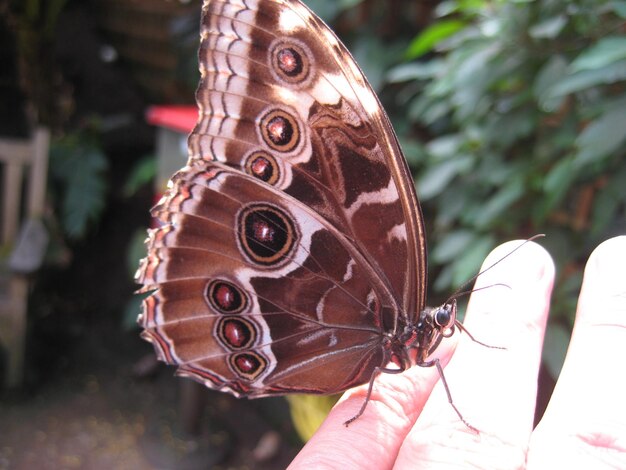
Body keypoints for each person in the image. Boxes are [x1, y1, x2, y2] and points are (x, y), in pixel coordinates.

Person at [288, 236, 626, 469]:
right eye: (445, 319)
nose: (448, 323)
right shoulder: (401, 332)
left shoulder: (425, 333)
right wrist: (365, 405)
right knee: (393, 366)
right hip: (329, 351)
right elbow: (382, 369)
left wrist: (476, 342)